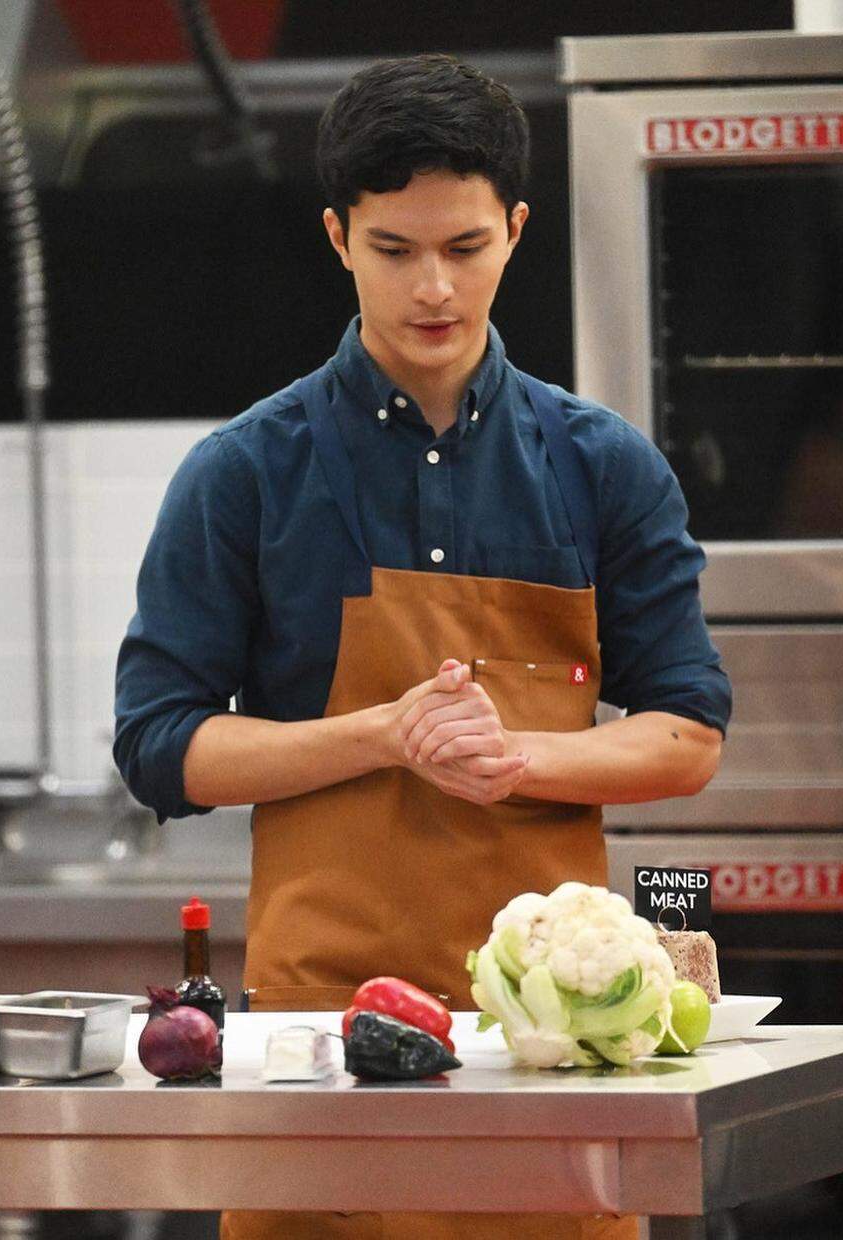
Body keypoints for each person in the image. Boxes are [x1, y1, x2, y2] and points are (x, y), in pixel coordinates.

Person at [115, 53, 731, 1240]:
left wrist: (517, 761)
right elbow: (160, 745)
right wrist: (387, 735)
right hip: (313, 1057)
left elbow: (689, 734)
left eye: (465, 246)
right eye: (395, 250)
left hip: (557, 1047)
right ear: (339, 236)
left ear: (516, 228)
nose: (434, 287)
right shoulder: (245, 473)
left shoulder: (602, 467)